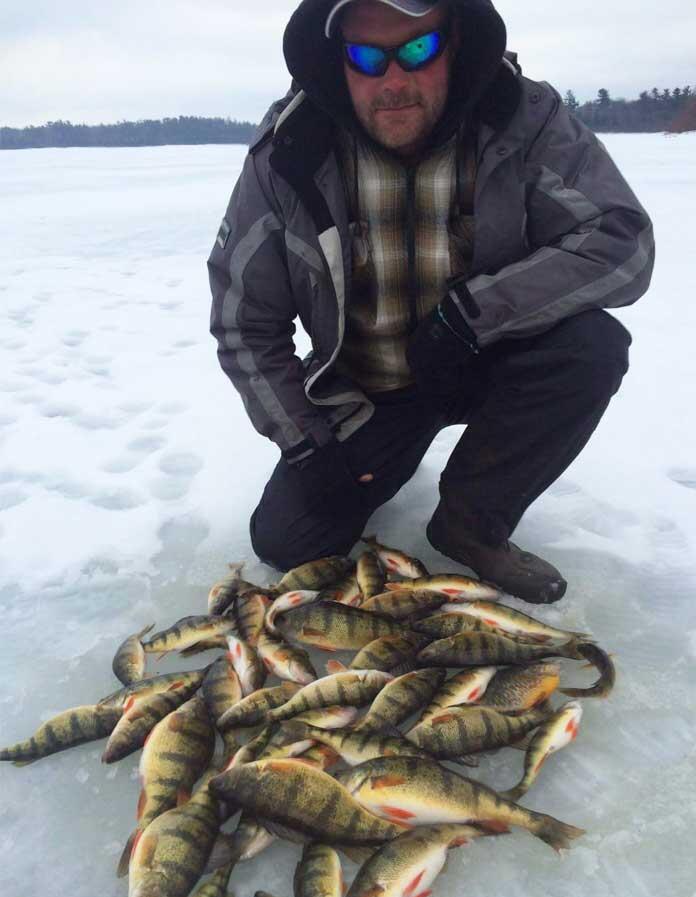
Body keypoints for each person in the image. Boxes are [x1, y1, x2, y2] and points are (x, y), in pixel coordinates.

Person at [208, 0, 654, 603]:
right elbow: (245, 322)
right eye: (367, 56)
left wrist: (473, 313)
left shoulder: (522, 117)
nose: (393, 80)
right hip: (370, 390)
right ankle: (388, 451)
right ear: (339, 63)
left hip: (487, 360)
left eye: (417, 50)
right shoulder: (290, 150)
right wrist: (307, 443)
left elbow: (618, 239)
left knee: (590, 347)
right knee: (288, 542)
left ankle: (473, 522)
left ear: (455, 44)